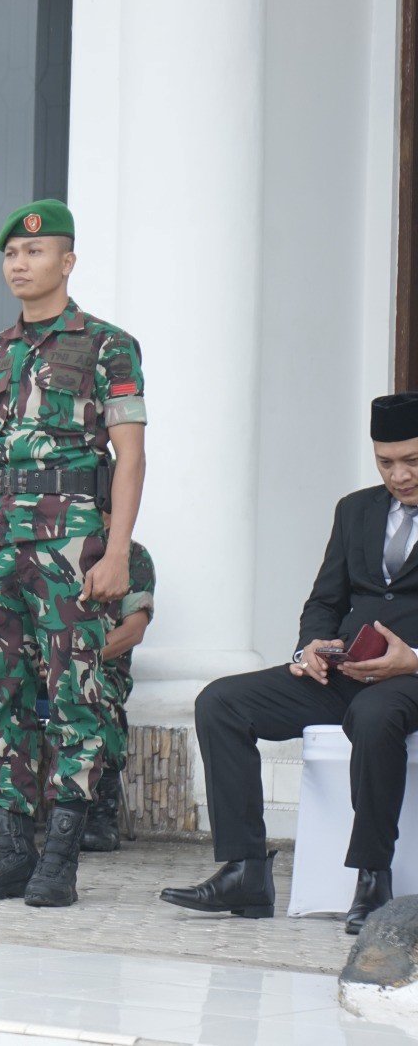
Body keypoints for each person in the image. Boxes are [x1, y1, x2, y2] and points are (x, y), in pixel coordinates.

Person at [0, 200, 148, 909]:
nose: (19, 265)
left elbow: (131, 458)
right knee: (2, 697)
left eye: (35, 253)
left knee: (76, 695)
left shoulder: (109, 346)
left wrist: (115, 553)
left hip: (69, 541)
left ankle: (61, 855)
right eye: (11, 256)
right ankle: (12, 850)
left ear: (68, 261)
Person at [161, 395, 418, 933]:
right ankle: (246, 870)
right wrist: (310, 649)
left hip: (408, 680)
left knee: (373, 718)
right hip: (345, 670)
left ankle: (373, 877)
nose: (399, 475)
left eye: (412, 461)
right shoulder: (355, 509)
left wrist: (410, 660)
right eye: (385, 462)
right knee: (221, 702)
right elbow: (325, 599)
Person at [83, 526, 155, 853]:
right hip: (39, 664)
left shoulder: (132, 556)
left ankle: (101, 813)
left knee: (96, 693)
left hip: (101, 667)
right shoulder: (49, 548)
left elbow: (133, 631)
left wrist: (79, 658)